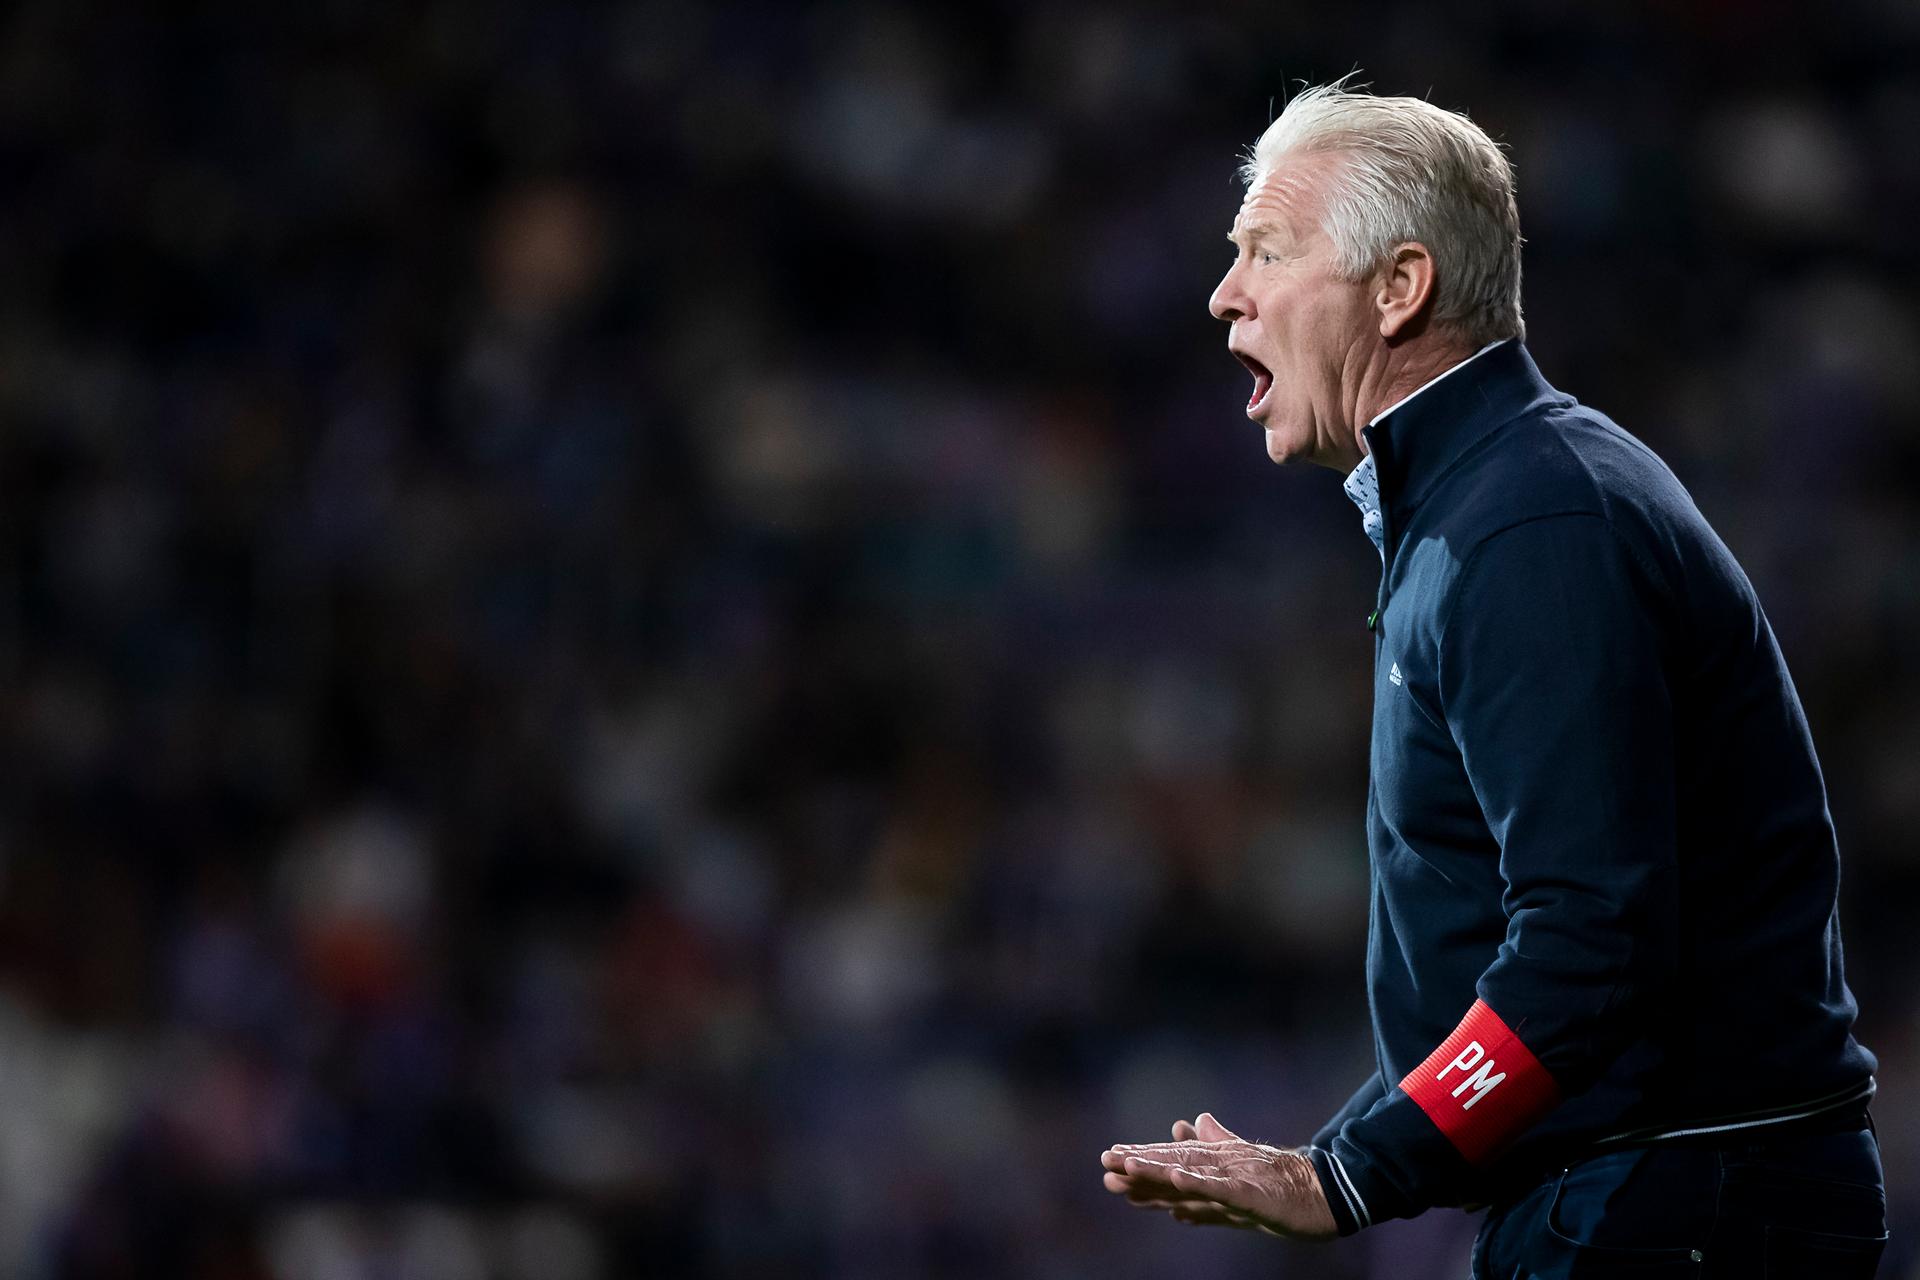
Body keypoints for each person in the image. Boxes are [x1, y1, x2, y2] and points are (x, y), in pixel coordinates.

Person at [1098, 81, 1888, 1278]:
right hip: (1651, 1190)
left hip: (1671, 1199)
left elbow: (1591, 936)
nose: (1225, 293)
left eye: (1265, 250)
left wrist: (1355, 1169)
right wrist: (1352, 1147)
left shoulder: (1532, 526)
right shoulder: (1486, 505)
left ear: (1399, 287)